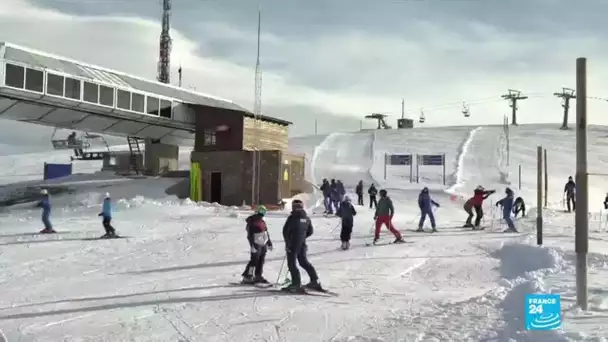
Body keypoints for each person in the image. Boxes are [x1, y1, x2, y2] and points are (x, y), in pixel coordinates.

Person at [282, 199, 323, 293]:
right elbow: (310, 231)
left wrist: (288, 243)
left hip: (293, 244)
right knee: (303, 262)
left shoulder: (292, 218)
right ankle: (314, 280)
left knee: (292, 264)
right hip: (302, 244)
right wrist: (302, 237)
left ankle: (296, 284)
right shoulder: (306, 218)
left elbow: (285, 232)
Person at [242, 205, 273, 284]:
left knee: (261, 260)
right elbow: (250, 235)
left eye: (264, 211)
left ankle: (258, 275)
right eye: (262, 211)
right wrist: (252, 245)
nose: (263, 213)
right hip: (256, 243)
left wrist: (269, 243)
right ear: (257, 211)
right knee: (254, 260)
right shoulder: (252, 221)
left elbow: (266, 232)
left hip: (263, 243)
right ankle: (247, 276)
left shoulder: (262, 221)